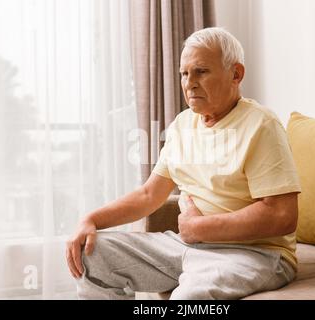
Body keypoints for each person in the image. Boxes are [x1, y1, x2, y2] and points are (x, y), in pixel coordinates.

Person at [66, 27, 301, 300]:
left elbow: (283, 215)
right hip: (186, 245)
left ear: (236, 74)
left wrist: (201, 228)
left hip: (253, 254)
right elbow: (148, 195)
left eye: (201, 71)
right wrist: (91, 219)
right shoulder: (182, 124)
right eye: (184, 73)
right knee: (91, 256)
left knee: (188, 300)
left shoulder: (261, 124)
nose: (189, 82)